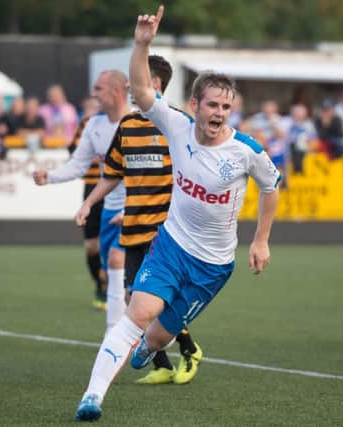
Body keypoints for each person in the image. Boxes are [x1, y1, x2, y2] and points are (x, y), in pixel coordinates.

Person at [74, 6, 280, 422]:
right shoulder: (177, 126)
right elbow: (143, 91)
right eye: (212, 105)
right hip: (171, 246)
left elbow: (272, 187)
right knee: (139, 312)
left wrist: (261, 239)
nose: (218, 113)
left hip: (214, 266)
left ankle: (152, 348)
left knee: (160, 333)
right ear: (194, 104)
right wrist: (141, 44)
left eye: (225, 106)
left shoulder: (247, 151)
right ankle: (92, 397)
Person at [75, 54, 202, 386]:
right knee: (135, 299)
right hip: (134, 227)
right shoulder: (127, 126)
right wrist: (90, 203)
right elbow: (112, 174)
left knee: (158, 299)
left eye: (139, 82)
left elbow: (192, 177)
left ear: (156, 85)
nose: (133, 89)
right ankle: (162, 363)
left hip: (166, 232)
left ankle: (189, 351)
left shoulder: (178, 124)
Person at [33, 70, 131, 332]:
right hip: (108, 207)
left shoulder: (138, 122)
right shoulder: (93, 124)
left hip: (137, 210)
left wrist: (136, 207)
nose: (94, 94)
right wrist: (50, 176)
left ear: (116, 91)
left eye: (99, 88)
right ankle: (159, 338)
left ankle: (115, 334)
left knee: (116, 261)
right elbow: (78, 164)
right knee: (117, 277)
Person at [66, 100, 107, 311]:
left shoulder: (126, 122)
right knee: (92, 246)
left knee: (116, 245)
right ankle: (100, 283)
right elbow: (73, 150)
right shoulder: (88, 123)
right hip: (92, 186)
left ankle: (114, 287)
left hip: (117, 187)